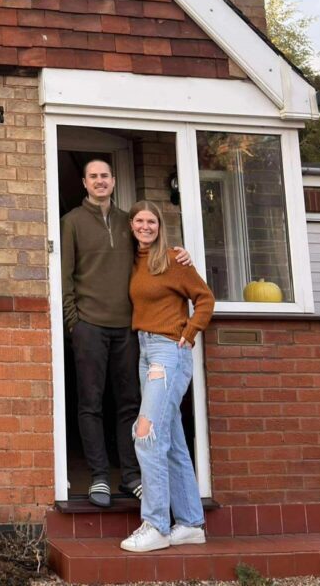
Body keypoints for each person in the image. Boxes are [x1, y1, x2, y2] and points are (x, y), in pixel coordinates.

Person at [60, 159, 191, 508]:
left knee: (130, 403)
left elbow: (152, 251)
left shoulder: (127, 222)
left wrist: (180, 254)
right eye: (93, 176)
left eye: (105, 176)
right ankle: (99, 476)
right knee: (90, 403)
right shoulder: (71, 222)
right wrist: (74, 323)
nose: (99, 181)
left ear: (114, 181)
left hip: (129, 329)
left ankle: (130, 475)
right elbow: (64, 276)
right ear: (85, 183)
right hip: (89, 326)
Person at [119, 200, 214, 553]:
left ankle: (157, 525)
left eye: (152, 221)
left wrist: (189, 333)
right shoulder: (134, 261)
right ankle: (190, 523)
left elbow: (205, 299)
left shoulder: (174, 259)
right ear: (132, 225)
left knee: (146, 434)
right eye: (139, 221)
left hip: (168, 352)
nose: (145, 227)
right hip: (145, 351)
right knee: (170, 439)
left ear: (160, 226)